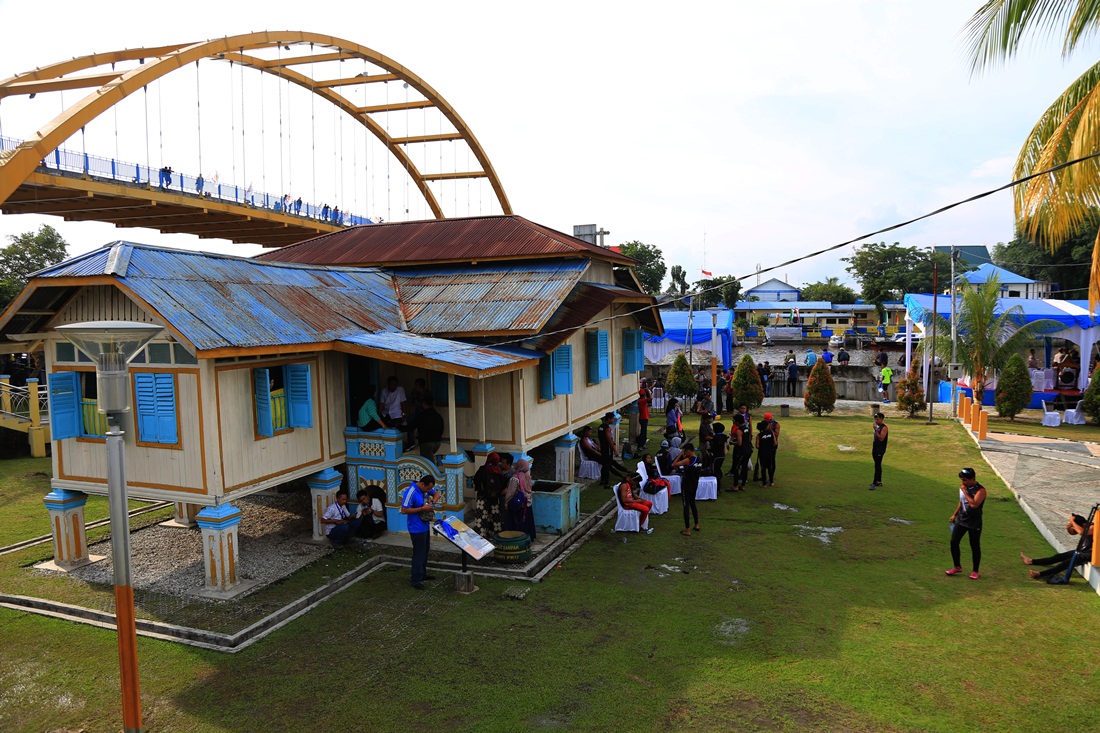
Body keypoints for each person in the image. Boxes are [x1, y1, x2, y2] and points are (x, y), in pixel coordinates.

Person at [1021, 513, 1094, 581]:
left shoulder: (1093, 527)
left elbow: (1081, 532)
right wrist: (1068, 527)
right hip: (1083, 551)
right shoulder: (1084, 526)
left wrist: (1072, 521)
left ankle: (1040, 574)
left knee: (1066, 563)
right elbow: (1073, 532)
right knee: (1058, 557)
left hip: (1090, 554)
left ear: (1083, 524)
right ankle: (1031, 561)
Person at [400, 475, 440, 589]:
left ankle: (422, 573)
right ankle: (416, 579)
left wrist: (433, 501)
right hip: (416, 528)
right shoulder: (411, 492)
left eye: (429, 489)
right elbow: (404, 510)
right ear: (422, 484)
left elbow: (436, 494)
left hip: (425, 525)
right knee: (418, 553)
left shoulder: (426, 489)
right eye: (427, 489)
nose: (428, 491)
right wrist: (422, 509)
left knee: (425, 551)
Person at [946, 467, 987, 580]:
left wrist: (965, 491)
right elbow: (961, 502)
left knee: (974, 546)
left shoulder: (980, 490)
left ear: (972, 478)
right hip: (962, 520)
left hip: (974, 522)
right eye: (961, 480)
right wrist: (954, 514)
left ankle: (975, 571)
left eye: (965, 480)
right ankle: (957, 566)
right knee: (954, 542)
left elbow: (974, 505)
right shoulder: (962, 487)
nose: (962, 482)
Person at [471, 452, 505, 537]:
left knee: (482, 516)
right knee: (494, 516)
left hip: (482, 497)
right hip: (494, 498)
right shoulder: (498, 470)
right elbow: (503, 483)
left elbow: (476, 480)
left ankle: (481, 534)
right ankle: (495, 534)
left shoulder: (483, 469)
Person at [672, 442, 701, 536]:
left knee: (686, 506)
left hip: (686, 485)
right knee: (693, 504)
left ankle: (687, 529)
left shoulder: (688, 460)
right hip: (694, 484)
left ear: (688, 451)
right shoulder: (699, 459)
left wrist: (680, 454)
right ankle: (697, 524)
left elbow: (674, 464)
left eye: (685, 452)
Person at [504, 458, 536, 539]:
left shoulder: (515, 478)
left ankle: (516, 539)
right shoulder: (528, 476)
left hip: (518, 505)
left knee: (516, 523)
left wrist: (507, 502)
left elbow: (510, 492)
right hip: (527, 503)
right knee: (526, 522)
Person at [598, 413, 630, 487]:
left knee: (605, 464)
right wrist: (615, 450)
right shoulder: (607, 428)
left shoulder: (600, 427)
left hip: (603, 447)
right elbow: (609, 440)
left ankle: (603, 480)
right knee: (607, 465)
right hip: (607, 448)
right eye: (612, 419)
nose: (613, 420)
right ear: (608, 419)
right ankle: (606, 482)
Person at [728, 413, 750, 491]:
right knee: (744, 467)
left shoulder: (739, 430)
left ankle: (735, 486)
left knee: (736, 467)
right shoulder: (746, 428)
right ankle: (743, 485)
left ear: (737, 421)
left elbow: (739, 443)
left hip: (741, 451)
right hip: (748, 449)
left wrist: (732, 443)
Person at [756, 416, 778, 487]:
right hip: (770, 452)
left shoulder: (759, 435)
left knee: (763, 468)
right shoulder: (771, 433)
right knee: (770, 467)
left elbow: (757, 446)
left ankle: (764, 483)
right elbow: (775, 443)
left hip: (762, 453)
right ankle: (771, 482)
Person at [870, 412, 888, 490]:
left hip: (880, 449)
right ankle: (878, 481)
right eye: (875, 419)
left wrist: (876, 431)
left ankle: (874, 483)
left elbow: (881, 438)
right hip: (875, 448)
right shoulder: (877, 427)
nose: (876, 421)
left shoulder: (884, 428)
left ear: (882, 419)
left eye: (877, 419)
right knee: (877, 465)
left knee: (877, 466)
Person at [709, 423, 728, 489]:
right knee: (718, 468)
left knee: (715, 470)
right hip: (722, 455)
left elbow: (714, 447)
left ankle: (717, 487)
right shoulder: (724, 436)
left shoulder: (715, 437)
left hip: (716, 456)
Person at [637, 378, 652, 449]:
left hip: (644, 417)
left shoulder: (641, 400)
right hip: (643, 418)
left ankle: (642, 444)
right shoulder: (642, 401)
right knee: (643, 433)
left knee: (644, 432)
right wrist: (647, 391)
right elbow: (650, 398)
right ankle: (640, 445)